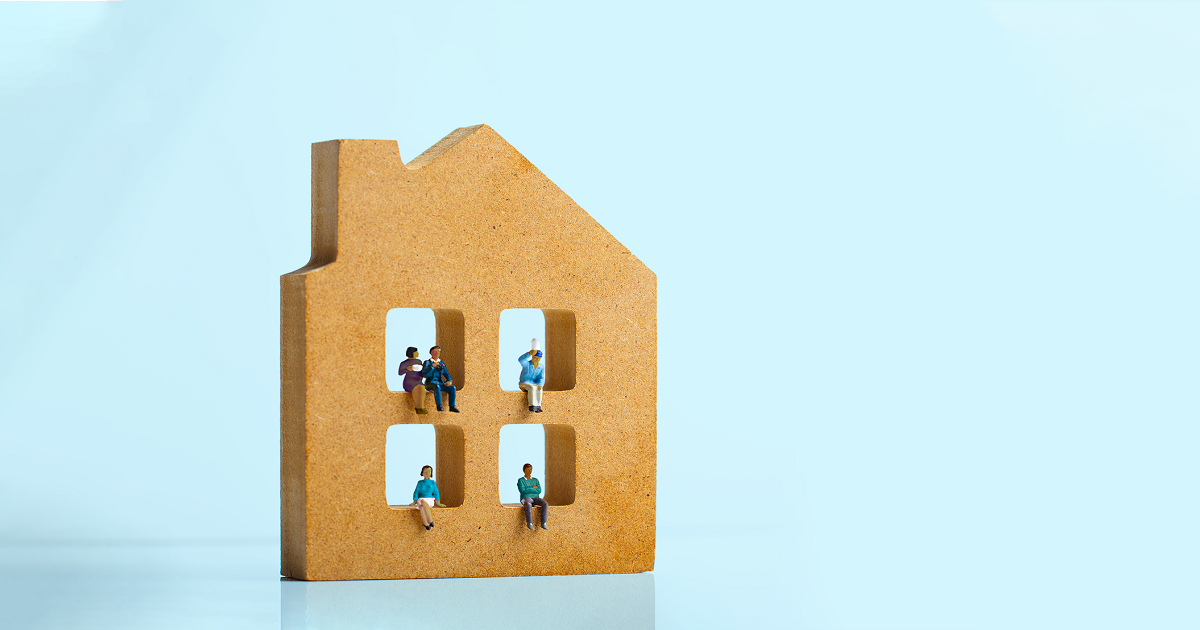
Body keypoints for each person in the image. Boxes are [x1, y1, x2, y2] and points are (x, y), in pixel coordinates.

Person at [422, 345, 459, 412]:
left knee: (452, 388)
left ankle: (452, 406)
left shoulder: (441, 363)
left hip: (440, 382)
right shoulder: (427, 362)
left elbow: (446, 374)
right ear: (431, 353)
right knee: (437, 387)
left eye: (438, 351)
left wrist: (449, 381)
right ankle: (439, 406)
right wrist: (432, 367)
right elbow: (424, 374)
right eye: (435, 351)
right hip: (430, 383)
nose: (437, 353)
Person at [411, 465, 445, 530]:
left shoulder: (433, 483)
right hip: (421, 499)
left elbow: (436, 492)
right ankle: (428, 521)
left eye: (429, 472)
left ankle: (427, 521)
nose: (427, 473)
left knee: (422, 506)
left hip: (429, 500)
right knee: (422, 503)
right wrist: (414, 501)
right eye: (425, 472)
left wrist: (438, 502)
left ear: (431, 473)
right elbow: (416, 492)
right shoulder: (420, 483)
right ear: (422, 473)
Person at [518, 463, 549, 531]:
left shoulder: (535, 480)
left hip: (536, 497)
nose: (529, 471)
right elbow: (523, 491)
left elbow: (539, 490)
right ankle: (529, 523)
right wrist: (533, 487)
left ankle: (543, 523)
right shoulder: (521, 480)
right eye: (527, 470)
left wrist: (528, 488)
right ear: (524, 470)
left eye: (530, 470)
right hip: (526, 497)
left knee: (545, 503)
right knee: (528, 504)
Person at [518, 339, 545, 412]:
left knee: (539, 389)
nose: (537, 360)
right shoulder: (527, 364)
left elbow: (541, 378)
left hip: (533, 383)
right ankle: (532, 405)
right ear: (532, 357)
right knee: (532, 388)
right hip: (524, 383)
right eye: (535, 358)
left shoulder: (541, 367)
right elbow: (520, 360)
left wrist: (540, 384)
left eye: (538, 358)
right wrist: (529, 353)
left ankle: (538, 406)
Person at [398, 347, 428, 414]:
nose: (418, 353)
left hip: (418, 380)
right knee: (417, 387)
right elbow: (400, 372)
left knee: (421, 387)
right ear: (412, 353)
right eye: (416, 352)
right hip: (409, 381)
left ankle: (420, 407)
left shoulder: (419, 361)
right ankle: (419, 408)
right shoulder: (404, 363)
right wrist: (407, 369)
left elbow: (421, 372)